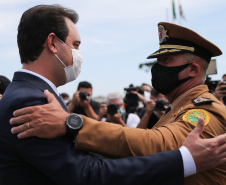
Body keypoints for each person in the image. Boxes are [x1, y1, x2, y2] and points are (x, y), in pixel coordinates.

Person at [0, 5, 201, 185]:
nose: (79, 53)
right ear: (52, 43)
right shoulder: (30, 100)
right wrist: (184, 160)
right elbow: (86, 174)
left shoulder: (33, 93)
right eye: (76, 45)